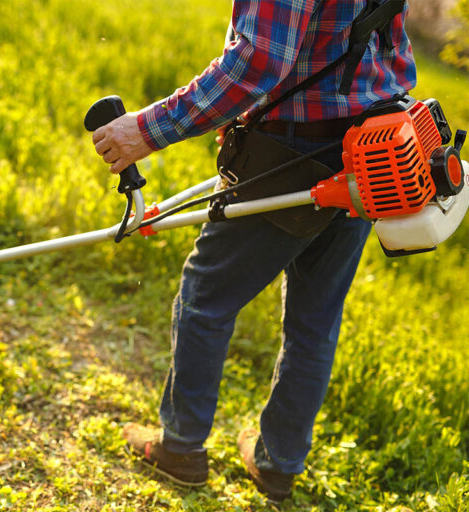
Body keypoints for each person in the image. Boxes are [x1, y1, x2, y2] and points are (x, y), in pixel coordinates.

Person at [91, 0, 416, 502]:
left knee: (206, 298)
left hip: (293, 150)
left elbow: (257, 64)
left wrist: (146, 130)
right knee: (316, 322)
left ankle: (180, 446)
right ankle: (278, 464)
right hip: (375, 147)